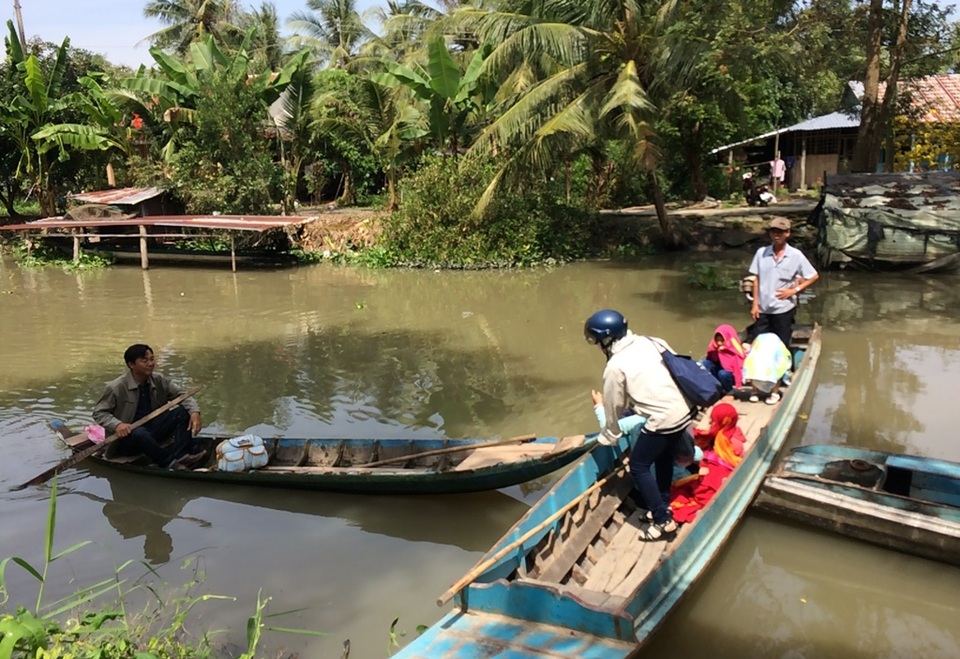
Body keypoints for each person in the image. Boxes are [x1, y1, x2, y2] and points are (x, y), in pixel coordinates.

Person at [584, 309, 696, 541]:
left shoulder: (615, 366)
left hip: (664, 418)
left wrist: (609, 436)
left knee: (639, 465)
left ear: (606, 340)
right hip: (685, 410)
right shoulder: (651, 341)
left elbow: (613, 407)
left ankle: (663, 522)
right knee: (662, 458)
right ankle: (663, 507)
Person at [93, 344, 204, 469]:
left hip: (153, 430)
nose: (150, 363)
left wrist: (194, 412)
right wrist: (117, 425)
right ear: (131, 364)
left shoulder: (158, 379)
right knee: (139, 433)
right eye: (144, 360)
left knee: (183, 412)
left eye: (152, 359)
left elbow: (182, 395)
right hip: (127, 439)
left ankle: (181, 455)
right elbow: (99, 413)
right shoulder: (116, 387)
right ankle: (169, 463)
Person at [748, 217, 819, 351]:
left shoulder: (796, 255)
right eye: (773, 232)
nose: (776, 235)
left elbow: (813, 276)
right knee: (758, 345)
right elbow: (756, 279)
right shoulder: (761, 253)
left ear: (787, 233)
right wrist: (755, 304)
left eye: (780, 232)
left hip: (783, 309)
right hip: (763, 309)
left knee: (782, 346)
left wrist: (794, 290)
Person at [670, 403, 745, 524]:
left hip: (717, 474)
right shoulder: (731, 433)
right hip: (721, 472)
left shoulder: (728, 442)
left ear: (722, 421)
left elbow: (723, 463)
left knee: (687, 490)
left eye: (713, 420)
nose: (710, 422)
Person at [742, 332, 792, 404]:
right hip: (760, 347)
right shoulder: (756, 351)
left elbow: (785, 361)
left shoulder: (779, 352)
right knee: (753, 365)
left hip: (774, 357)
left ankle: (774, 393)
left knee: (778, 370)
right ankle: (755, 391)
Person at [698, 324, 747, 393]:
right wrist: (716, 351)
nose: (719, 343)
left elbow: (741, 357)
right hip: (718, 369)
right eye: (717, 340)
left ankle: (729, 391)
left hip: (731, 374)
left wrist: (726, 349)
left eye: (721, 340)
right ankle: (715, 385)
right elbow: (710, 357)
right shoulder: (714, 345)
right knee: (705, 363)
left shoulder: (733, 347)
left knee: (723, 373)